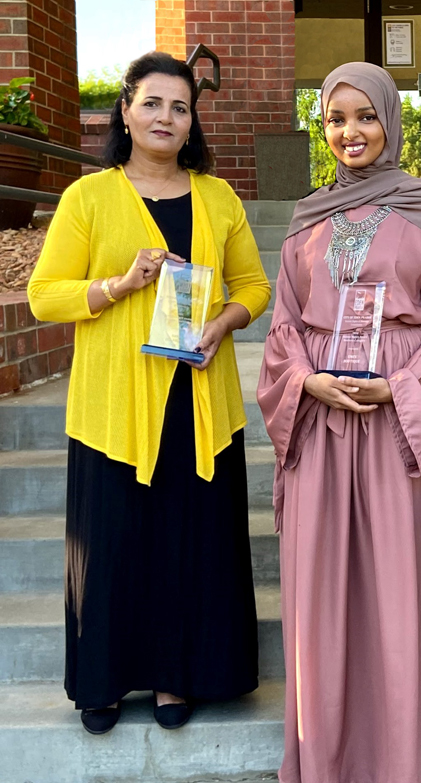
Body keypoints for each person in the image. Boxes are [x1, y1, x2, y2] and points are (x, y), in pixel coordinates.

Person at [257, 62, 421, 783]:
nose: (351, 133)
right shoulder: (306, 218)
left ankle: (402, 774)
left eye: (365, 117)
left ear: (390, 120)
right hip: (325, 421)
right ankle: (324, 767)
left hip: (400, 421)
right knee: (323, 593)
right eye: (336, 119)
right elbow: (284, 329)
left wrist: (403, 391)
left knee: (400, 594)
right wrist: (307, 383)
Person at [26, 52, 270, 734]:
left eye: (181, 107)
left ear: (193, 123)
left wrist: (223, 323)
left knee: (185, 544)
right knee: (112, 544)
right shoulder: (89, 197)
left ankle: (177, 678)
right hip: (113, 408)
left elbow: (254, 286)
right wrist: (117, 286)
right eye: (153, 103)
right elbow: (45, 296)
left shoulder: (217, 197)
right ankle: (102, 682)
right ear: (125, 111)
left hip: (198, 403)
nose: (166, 117)